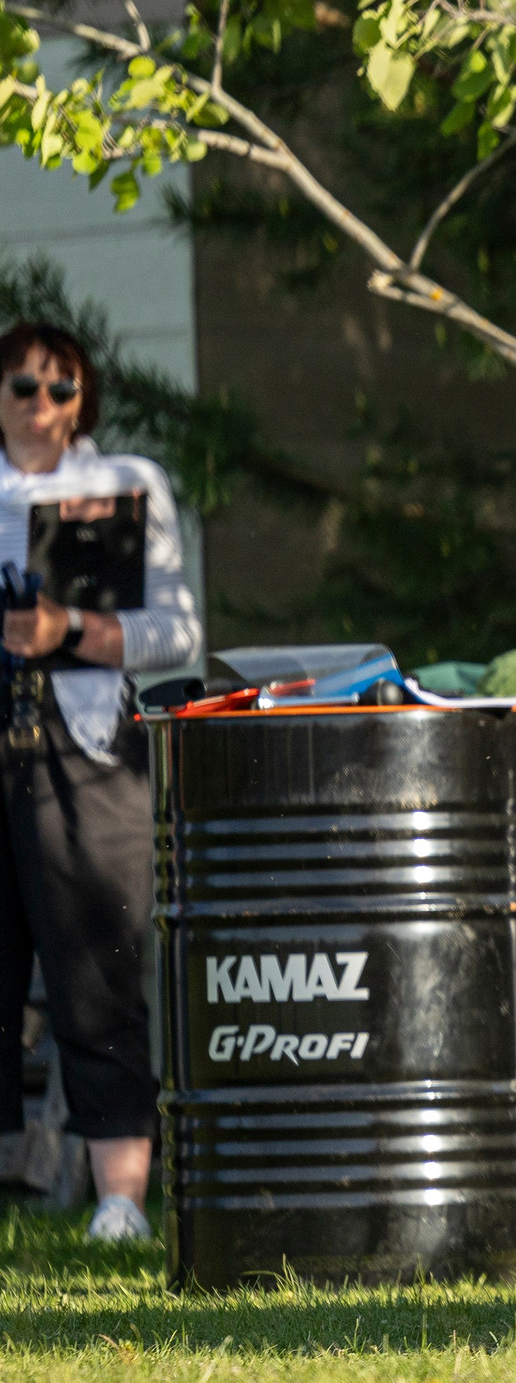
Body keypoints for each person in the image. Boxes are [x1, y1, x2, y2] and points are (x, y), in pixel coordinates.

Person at [0, 323, 201, 1241]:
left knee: (97, 969)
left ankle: (120, 1201)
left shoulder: (124, 485)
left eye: (62, 389)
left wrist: (66, 631)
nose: (42, 405)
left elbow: (176, 635)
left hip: (82, 742)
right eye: (24, 387)